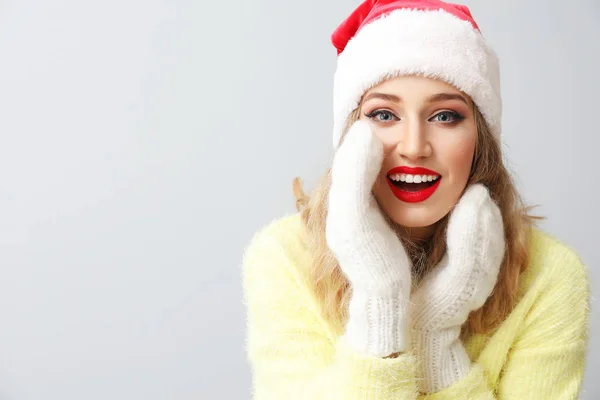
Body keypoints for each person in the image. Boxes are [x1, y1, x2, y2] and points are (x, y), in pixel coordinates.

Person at [242, 0, 590, 398]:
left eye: (444, 116)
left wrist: (431, 337)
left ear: (481, 139)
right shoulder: (284, 257)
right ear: (350, 138)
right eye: (384, 115)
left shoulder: (549, 275)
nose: (414, 147)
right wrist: (380, 303)